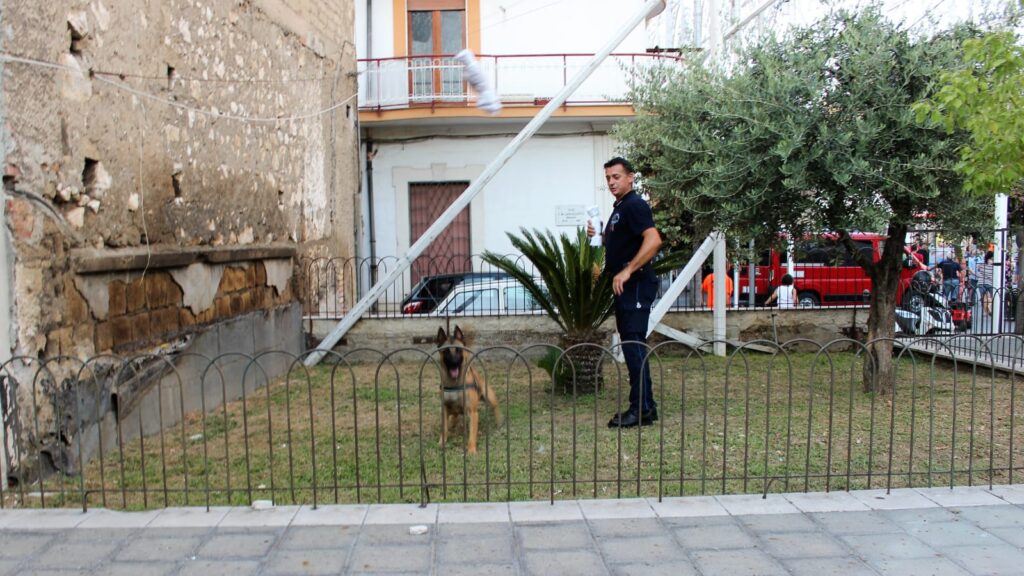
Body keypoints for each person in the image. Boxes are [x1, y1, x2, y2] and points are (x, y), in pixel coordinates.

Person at [586, 157, 662, 428]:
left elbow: (653, 240)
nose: (611, 182)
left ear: (631, 177)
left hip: (637, 284)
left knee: (633, 346)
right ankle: (647, 407)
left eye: (616, 177)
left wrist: (628, 270)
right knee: (633, 345)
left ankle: (640, 409)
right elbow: (621, 242)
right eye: (608, 178)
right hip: (626, 287)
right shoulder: (620, 208)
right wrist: (600, 235)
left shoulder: (635, 205)